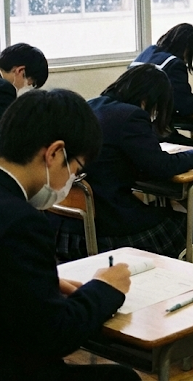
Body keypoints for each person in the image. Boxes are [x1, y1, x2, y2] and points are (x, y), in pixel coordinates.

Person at [0, 89, 138, 381]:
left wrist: (41, 283)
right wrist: (105, 288)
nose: (72, 180)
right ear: (54, 153)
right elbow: (54, 336)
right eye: (77, 170)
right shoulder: (22, 221)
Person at [51, 65, 193, 262]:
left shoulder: (92, 105)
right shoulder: (131, 116)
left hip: (68, 228)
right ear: (148, 100)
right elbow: (162, 166)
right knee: (191, 226)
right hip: (107, 228)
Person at [131, 23, 193, 145]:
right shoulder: (174, 64)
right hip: (155, 132)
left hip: (133, 125)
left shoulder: (146, 53)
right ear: (186, 49)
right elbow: (184, 104)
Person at [0, 42, 48, 119]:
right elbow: (8, 125)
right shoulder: (4, 89)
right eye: (30, 83)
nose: (28, 88)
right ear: (20, 71)